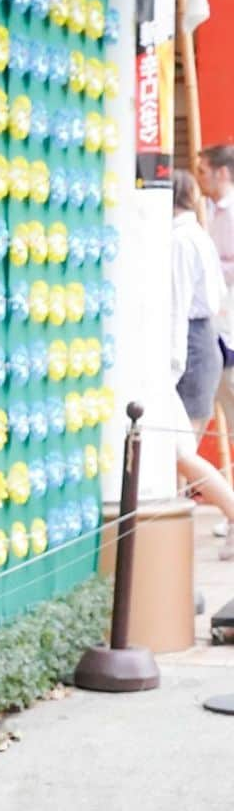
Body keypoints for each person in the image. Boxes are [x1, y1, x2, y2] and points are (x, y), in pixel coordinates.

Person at [170, 168, 234, 561]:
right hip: (203, 341)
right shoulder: (196, 234)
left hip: (191, 346)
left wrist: (172, 365)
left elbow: (178, 306)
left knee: (179, 451)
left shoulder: (180, 240)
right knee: (179, 452)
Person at [194, 143, 234, 537]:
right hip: (221, 337)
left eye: (204, 171)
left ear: (222, 172)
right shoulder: (215, 214)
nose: (200, 178)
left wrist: (212, 263)